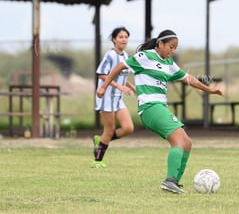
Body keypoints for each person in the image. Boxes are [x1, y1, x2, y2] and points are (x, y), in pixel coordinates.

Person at [96, 29, 223, 194]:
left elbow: (189, 79)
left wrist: (210, 90)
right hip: (150, 107)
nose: (172, 50)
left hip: (159, 107)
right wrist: (104, 87)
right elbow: (119, 67)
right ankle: (169, 181)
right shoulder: (145, 56)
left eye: (175, 48)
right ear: (160, 44)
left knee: (187, 143)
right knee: (178, 142)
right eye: (170, 46)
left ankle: (174, 181)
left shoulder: (169, 63)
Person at [92, 27, 136, 169]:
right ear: (114, 39)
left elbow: (122, 76)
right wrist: (120, 87)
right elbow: (102, 74)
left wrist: (132, 86)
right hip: (107, 97)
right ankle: (97, 161)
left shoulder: (125, 56)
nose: (124, 39)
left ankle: (102, 140)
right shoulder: (110, 55)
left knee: (128, 128)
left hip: (118, 98)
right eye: (121, 37)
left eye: (126, 37)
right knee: (109, 130)